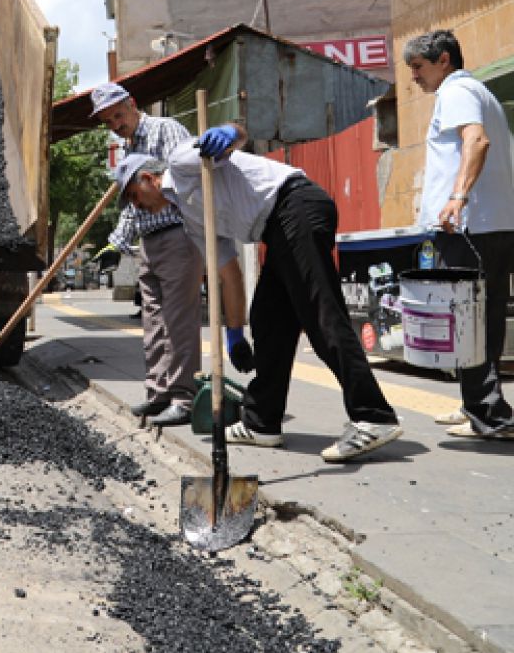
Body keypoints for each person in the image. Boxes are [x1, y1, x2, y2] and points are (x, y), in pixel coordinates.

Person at [116, 135, 404, 463]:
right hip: (275, 227)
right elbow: (229, 273)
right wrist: (234, 333)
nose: (136, 207)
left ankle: (373, 415)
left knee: (320, 314)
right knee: (268, 319)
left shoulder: (183, 164)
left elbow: (236, 134)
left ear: (150, 179)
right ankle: (262, 421)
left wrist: (227, 134)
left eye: (134, 197)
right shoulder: (191, 218)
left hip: (295, 204)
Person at [90, 82, 252, 428]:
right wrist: (116, 244)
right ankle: (159, 392)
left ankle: (183, 396)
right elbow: (134, 206)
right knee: (153, 321)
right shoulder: (129, 146)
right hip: (148, 240)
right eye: (109, 122)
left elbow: (190, 177)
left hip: (179, 232)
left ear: (133, 104)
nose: (117, 125)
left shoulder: (166, 130)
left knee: (178, 319)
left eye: (118, 115)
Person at [405, 30, 514, 439]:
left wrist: (457, 196)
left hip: (470, 226)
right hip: (493, 225)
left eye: (418, 67)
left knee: (469, 319)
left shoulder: (457, 92)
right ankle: (478, 404)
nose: (414, 76)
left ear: (443, 60)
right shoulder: (480, 93)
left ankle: (489, 415)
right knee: (483, 318)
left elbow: (476, 140)